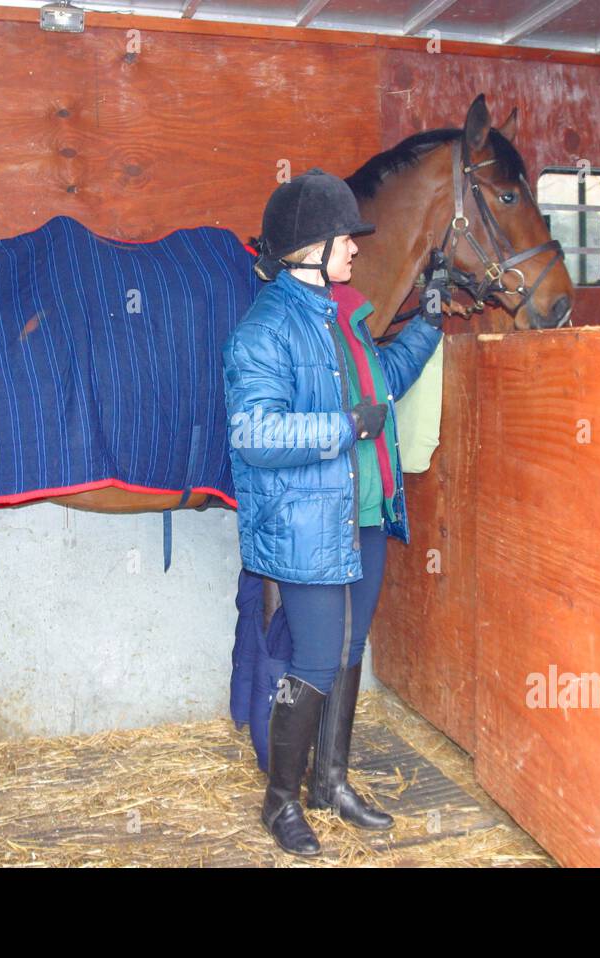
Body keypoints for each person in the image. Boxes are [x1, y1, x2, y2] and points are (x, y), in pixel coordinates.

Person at [222, 168, 447, 856]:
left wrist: (429, 324)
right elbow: (254, 434)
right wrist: (341, 426)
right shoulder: (266, 328)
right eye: (344, 236)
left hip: (365, 516)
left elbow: (384, 384)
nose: (354, 247)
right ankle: (280, 802)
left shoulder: (341, 315)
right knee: (315, 662)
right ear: (307, 248)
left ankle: (331, 784)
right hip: (307, 525)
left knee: (349, 653)